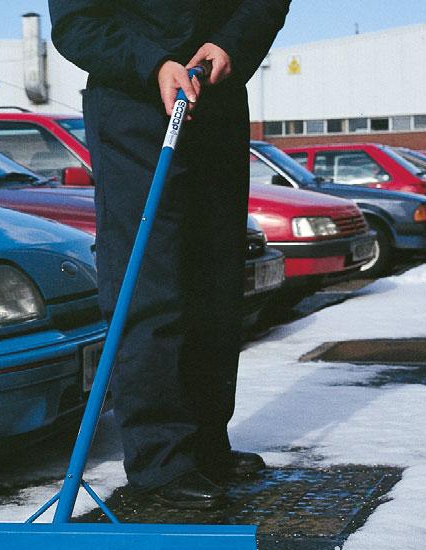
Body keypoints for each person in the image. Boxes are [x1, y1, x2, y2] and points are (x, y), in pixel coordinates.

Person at [49, 0, 291, 506]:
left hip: (217, 99)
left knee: (216, 278)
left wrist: (231, 43)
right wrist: (153, 62)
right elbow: (76, 25)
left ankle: (205, 444)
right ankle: (163, 461)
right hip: (135, 105)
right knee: (151, 280)